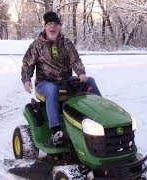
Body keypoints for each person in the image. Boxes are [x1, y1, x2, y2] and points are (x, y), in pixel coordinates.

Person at [21, 11, 101, 146]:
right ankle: (56, 131)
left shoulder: (66, 43)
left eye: (56, 24)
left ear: (60, 27)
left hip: (65, 81)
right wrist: (26, 79)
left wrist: (81, 73)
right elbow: (27, 64)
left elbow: (75, 60)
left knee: (90, 81)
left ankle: (100, 117)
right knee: (52, 89)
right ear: (45, 26)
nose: (52, 27)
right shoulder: (36, 45)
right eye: (49, 24)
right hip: (45, 83)